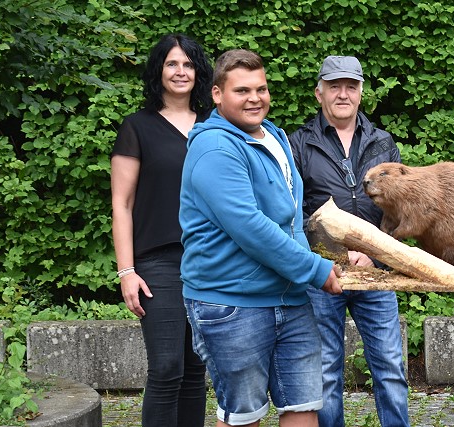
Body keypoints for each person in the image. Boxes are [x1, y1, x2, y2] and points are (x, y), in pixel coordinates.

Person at [179, 48, 342, 427]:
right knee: (244, 418)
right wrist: (316, 269)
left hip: (290, 296)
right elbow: (250, 227)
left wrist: (333, 255)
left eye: (261, 89)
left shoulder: (273, 136)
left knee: (303, 407)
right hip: (233, 303)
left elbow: (288, 219)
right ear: (217, 94)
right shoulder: (214, 148)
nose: (255, 98)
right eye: (242, 91)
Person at [288, 55, 410, 427]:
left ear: (361, 93)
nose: (344, 94)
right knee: (326, 372)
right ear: (319, 92)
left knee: (390, 367)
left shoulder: (382, 142)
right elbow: (293, 212)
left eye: (351, 86)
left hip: (376, 273)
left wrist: (377, 255)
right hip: (324, 275)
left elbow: (398, 209)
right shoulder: (300, 143)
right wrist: (326, 258)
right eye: (335, 86)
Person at [110, 33, 212, 427]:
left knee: (195, 370)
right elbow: (122, 204)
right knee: (167, 366)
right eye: (172, 63)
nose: (181, 71)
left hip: (209, 259)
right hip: (158, 262)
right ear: (158, 70)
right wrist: (126, 272)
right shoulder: (138, 127)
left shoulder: (214, 127)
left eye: (188, 64)